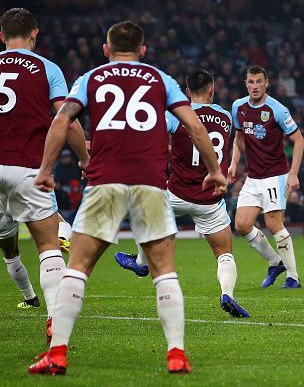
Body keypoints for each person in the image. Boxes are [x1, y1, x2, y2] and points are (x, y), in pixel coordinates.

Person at [28, 21, 226, 375]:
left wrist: (45, 169)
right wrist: (215, 169)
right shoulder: (160, 79)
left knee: (78, 267)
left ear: (106, 49)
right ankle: (176, 354)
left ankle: (57, 352)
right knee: (164, 271)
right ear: (143, 49)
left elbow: (61, 121)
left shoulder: (91, 78)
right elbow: (195, 126)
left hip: (105, 183)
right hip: (150, 185)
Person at [114, 68, 249, 318]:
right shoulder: (225, 116)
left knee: (143, 211)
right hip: (210, 200)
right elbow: (202, 144)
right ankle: (227, 294)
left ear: (187, 91)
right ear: (212, 89)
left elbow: (154, 139)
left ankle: (142, 262)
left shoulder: (175, 115)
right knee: (224, 255)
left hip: (175, 194)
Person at [0, 8, 88, 336]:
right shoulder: (47, 69)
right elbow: (66, 120)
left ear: (1, 36)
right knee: (48, 245)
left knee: (7, 243)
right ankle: (54, 318)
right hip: (27, 167)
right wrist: (85, 160)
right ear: (34, 33)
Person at [229, 65, 304, 289]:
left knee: (273, 223)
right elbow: (238, 138)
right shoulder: (238, 107)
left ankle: (293, 277)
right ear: (246, 84)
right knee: (241, 225)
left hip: (276, 175)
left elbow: (299, 141)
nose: (254, 86)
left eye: (259, 82)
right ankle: (275, 262)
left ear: (266, 83)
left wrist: (293, 173)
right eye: (251, 82)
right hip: (253, 177)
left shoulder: (277, 110)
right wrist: (234, 163)